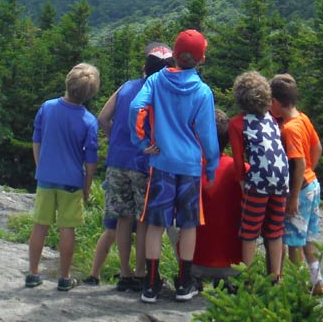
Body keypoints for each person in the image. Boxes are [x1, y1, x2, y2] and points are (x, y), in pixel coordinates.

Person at [130, 29, 220, 304]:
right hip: (191, 165)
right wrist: (212, 165)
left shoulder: (156, 80)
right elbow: (207, 134)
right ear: (201, 59)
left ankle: (151, 284)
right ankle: (184, 282)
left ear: (174, 54)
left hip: (161, 161)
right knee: (188, 225)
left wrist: (141, 140)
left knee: (156, 224)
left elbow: (136, 107)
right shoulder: (203, 92)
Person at [96, 42, 175, 291]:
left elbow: (102, 118)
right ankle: (142, 272)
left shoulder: (126, 87)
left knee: (122, 218)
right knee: (143, 221)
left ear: (144, 66)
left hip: (117, 161)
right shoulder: (162, 94)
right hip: (144, 165)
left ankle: (124, 272)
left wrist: (115, 138)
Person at [24, 63, 100, 291]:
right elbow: (91, 161)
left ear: (68, 82)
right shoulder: (89, 121)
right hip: (71, 182)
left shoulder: (47, 108)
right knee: (68, 229)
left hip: (46, 178)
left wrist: (41, 167)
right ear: (90, 93)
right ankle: (64, 277)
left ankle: (33, 273)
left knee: (40, 226)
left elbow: (36, 140)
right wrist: (86, 188)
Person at [270, 73, 323, 296]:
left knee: (293, 240)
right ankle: (318, 281)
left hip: (301, 191)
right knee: (307, 239)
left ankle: (294, 286)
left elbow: (298, 161)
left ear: (275, 102)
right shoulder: (303, 118)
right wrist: (310, 171)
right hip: (313, 185)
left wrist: (294, 195)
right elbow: (318, 148)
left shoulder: (290, 128)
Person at [228, 71, 289, 282]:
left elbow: (238, 159)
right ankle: (276, 277)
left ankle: (249, 279)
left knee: (250, 230)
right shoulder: (271, 119)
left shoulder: (238, 123)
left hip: (259, 181)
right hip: (282, 178)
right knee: (274, 230)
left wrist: (243, 182)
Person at [192, 109, 246, 291]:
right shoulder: (241, 170)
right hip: (234, 266)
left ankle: (190, 276)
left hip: (196, 262)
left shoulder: (189, 171)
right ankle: (231, 279)